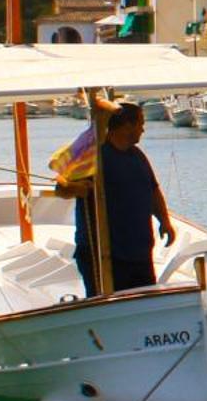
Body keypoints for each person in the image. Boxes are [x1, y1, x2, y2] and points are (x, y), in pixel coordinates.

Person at [62, 101, 176, 295]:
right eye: (140, 124)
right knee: (110, 305)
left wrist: (164, 221)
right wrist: (77, 187)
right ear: (126, 125)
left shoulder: (137, 155)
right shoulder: (94, 156)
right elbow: (62, 186)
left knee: (144, 303)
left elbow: (153, 190)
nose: (143, 130)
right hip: (105, 254)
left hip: (139, 252)